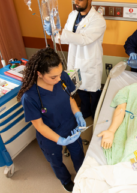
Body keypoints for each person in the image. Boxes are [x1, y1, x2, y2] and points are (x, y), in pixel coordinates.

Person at [17, 48, 86, 192]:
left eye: (60, 74)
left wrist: (78, 114)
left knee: (79, 154)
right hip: (49, 135)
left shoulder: (62, 77)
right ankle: (66, 181)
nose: (59, 79)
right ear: (39, 74)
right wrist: (60, 140)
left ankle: (83, 177)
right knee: (56, 161)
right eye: (53, 77)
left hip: (70, 126)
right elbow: (40, 126)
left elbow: (70, 99)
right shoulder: (30, 97)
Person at [45, 0, 106, 119]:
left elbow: (84, 39)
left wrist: (61, 33)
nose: (76, 2)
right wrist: (54, 34)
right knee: (79, 88)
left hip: (90, 62)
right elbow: (66, 37)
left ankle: (96, 113)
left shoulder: (98, 20)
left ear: (89, 0)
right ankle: (85, 111)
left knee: (93, 91)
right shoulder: (73, 15)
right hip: (75, 58)